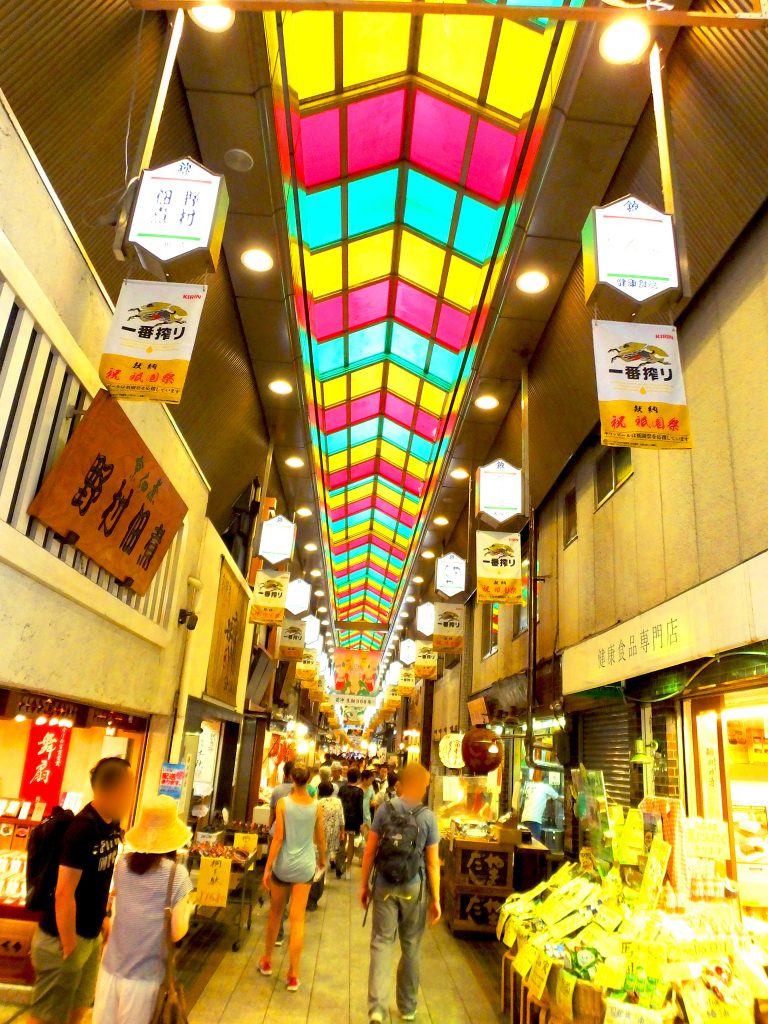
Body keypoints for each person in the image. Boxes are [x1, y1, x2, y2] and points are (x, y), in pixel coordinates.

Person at [29, 757, 134, 1024]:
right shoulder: (83, 829)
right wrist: (68, 944)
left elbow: (98, 881)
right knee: (46, 1017)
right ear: (112, 788)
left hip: (89, 935)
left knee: (78, 1010)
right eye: (129, 785)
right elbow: (64, 892)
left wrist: (103, 917)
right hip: (63, 939)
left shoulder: (110, 826)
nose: (132, 793)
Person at [92, 796, 193, 1024]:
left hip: (110, 968)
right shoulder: (177, 875)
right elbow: (177, 932)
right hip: (146, 977)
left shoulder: (123, 865)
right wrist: (187, 909)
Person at [361, 762, 441, 1024]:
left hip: (384, 884)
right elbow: (432, 863)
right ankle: (407, 1007)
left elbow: (370, 851)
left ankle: (377, 1008)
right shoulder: (428, 817)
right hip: (412, 887)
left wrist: (364, 885)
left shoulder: (385, 809)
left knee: (382, 943)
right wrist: (436, 899)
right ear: (421, 785)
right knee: (411, 946)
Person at [260, 764, 326, 992]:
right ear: (308, 781)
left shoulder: (282, 804)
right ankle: (293, 975)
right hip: (305, 867)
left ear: (291, 779)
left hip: (283, 865)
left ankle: (267, 961)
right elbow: (320, 838)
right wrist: (323, 860)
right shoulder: (316, 806)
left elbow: (277, 838)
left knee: (276, 914)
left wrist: (267, 868)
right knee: (298, 920)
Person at [306, 781, 344, 912]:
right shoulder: (337, 802)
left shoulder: (318, 803)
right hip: (333, 833)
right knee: (325, 858)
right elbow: (341, 817)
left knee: (317, 861)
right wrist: (342, 832)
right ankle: (322, 878)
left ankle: (316, 886)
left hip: (319, 835)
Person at [337, 767, 365, 879]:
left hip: (342, 818)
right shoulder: (359, 791)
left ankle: (340, 865)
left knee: (342, 842)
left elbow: (339, 804)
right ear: (358, 778)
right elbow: (360, 808)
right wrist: (361, 822)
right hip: (353, 820)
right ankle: (348, 869)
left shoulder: (342, 789)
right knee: (351, 843)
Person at [520, 771, 558, 841]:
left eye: (536, 772)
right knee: (534, 846)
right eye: (535, 772)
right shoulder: (545, 787)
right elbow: (557, 797)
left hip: (525, 818)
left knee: (526, 844)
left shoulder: (528, 786)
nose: (534, 774)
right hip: (534, 820)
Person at [361, 769, 376, 835]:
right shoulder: (358, 789)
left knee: (366, 837)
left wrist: (373, 802)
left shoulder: (371, 788)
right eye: (370, 779)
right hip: (358, 818)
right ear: (364, 779)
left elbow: (374, 799)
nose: (371, 781)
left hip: (367, 817)